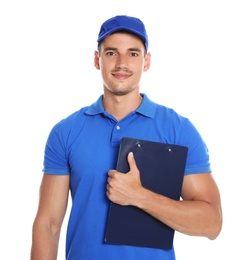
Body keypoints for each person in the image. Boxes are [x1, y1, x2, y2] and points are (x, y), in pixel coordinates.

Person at [31, 15, 222, 260]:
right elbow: (48, 225)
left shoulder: (177, 130)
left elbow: (212, 223)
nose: (122, 63)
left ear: (146, 61)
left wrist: (140, 197)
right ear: (97, 60)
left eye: (133, 53)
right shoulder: (66, 131)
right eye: (111, 53)